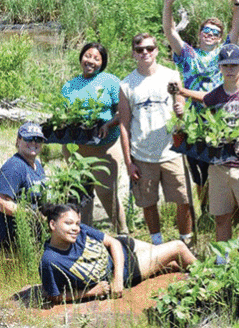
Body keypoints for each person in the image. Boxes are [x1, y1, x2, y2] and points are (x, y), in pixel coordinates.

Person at [171, 44, 239, 244]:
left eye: (234, 65)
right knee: (221, 217)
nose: (230, 69)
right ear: (219, 67)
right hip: (219, 167)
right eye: (226, 65)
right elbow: (203, 102)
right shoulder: (216, 95)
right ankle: (222, 261)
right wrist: (181, 95)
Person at [163, 0, 239, 191]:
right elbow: (170, 32)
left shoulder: (224, 54)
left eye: (215, 33)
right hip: (192, 119)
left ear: (219, 38)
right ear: (199, 34)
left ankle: (218, 210)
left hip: (219, 118)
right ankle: (203, 211)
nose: (210, 34)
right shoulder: (187, 54)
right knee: (198, 173)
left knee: (221, 171)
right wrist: (168, 4)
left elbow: (236, 30)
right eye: (206, 31)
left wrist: (237, 4)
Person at [119, 33, 192, 246]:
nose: (145, 53)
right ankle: (157, 243)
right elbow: (124, 124)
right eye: (140, 49)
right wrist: (129, 162)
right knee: (148, 202)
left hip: (172, 151)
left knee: (184, 200)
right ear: (134, 53)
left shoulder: (171, 75)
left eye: (150, 48)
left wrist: (181, 109)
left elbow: (181, 112)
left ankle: (185, 242)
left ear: (156, 51)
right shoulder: (126, 85)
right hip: (142, 154)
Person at [39, 204, 196, 303]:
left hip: (121, 247)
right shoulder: (51, 260)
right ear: (52, 224)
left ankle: (205, 272)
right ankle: (209, 275)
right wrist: (91, 292)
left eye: (77, 223)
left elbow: (113, 242)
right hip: (129, 267)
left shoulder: (81, 230)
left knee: (171, 261)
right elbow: (52, 295)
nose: (75, 228)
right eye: (68, 223)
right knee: (178, 248)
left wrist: (117, 278)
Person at [61, 42, 128, 233]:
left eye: (96, 58)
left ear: (102, 63)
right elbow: (64, 114)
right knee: (81, 191)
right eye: (87, 56)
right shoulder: (70, 86)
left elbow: (121, 111)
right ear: (81, 57)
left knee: (107, 192)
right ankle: (84, 233)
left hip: (105, 146)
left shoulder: (111, 81)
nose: (90, 61)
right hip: (77, 148)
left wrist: (108, 124)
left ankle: (122, 232)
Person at [0, 123, 46, 247]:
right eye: (28, 138)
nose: (33, 143)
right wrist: (30, 215)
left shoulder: (37, 165)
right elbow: (2, 202)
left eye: (38, 139)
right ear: (18, 140)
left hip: (32, 235)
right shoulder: (15, 166)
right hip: (12, 237)